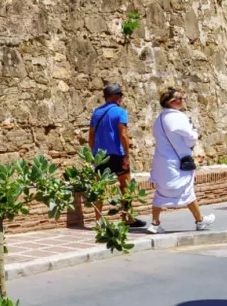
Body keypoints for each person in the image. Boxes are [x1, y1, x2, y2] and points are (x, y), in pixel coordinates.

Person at [147, 86, 215, 232]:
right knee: (187, 191)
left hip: (161, 160)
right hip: (176, 162)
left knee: (161, 192)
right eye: (179, 99)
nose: (182, 101)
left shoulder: (159, 119)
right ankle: (200, 221)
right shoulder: (177, 117)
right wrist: (192, 140)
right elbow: (190, 137)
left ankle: (155, 223)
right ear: (171, 102)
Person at [88, 83, 149, 229]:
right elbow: (123, 134)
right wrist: (127, 154)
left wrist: (94, 154)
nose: (122, 98)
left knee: (99, 188)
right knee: (125, 187)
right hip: (118, 154)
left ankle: (98, 221)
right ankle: (127, 217)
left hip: (101, 156)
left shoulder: (96, 113)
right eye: (121, 95)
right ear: (116, 97)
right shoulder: (120, 112)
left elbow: (91, 136)